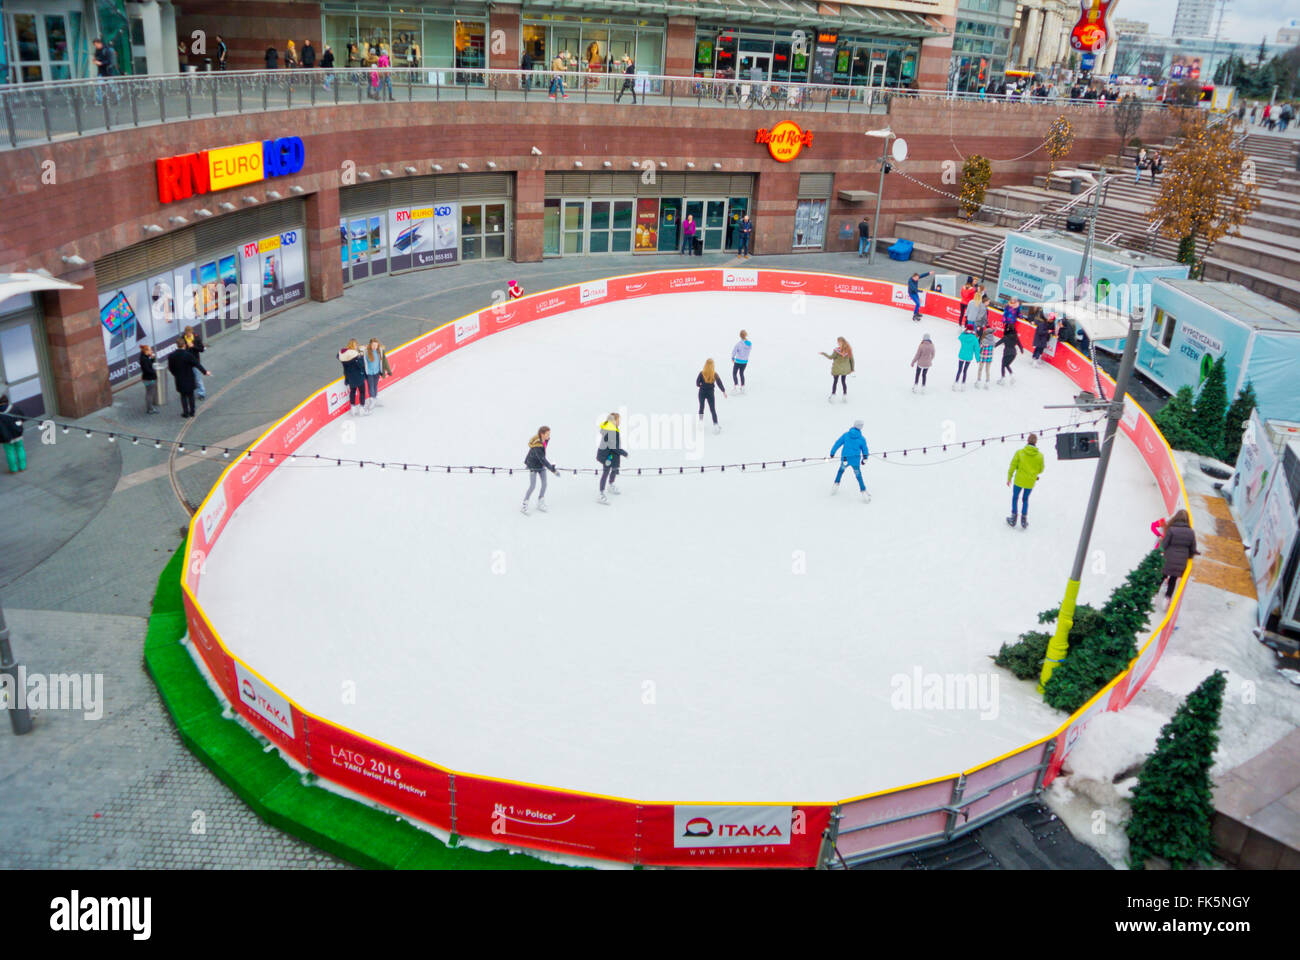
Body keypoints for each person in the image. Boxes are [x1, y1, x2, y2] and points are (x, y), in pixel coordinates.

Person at [1158, 510, 1198, 607]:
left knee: (1161, 576)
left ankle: (1154, 595)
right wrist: (1189, 556)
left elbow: (1164, 545)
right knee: (1173, 580)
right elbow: (1192, 549)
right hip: (1181, 562)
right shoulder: (1191, 532)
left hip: (1168, 559)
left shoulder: (1171, 530)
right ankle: (1166, 599)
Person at [1006, 433, 1044, 529]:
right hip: (1030, 482)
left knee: (1015, 497)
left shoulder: (1020, 452)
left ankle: (1013, 518)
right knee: (1025, 499)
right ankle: (1024, 519)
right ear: (1036, 442)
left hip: (1019, 480)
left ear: (1027, 440)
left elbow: (1013, 466)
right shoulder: (1040, 456)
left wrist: (1009, 478)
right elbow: (1041, 469)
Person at [829, 419, 871, 502]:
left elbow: (838, 443)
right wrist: (865, 459)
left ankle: (835, 485)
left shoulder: (846, 435)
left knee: (840, 471)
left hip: (845, 459)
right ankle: (863, 491)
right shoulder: (862, 439)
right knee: (858, 476)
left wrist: (832, 452)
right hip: (855, 461)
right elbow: (865, 450)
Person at [168, 344, 212, 419]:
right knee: (190, 395)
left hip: (179, 378)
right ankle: (192, 412)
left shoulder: (171, 356)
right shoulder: (188, 355)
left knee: (183, 396)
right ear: (184, 345)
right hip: (189, 377)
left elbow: (170, 367)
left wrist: (175, 374)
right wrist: (205, 372)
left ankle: (185, 412)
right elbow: (197, 364)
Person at [521, 426, 559, 514]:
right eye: (547, 434)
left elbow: (542, 457)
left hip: (541, 465)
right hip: (533, 465)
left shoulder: (545, 440)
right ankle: (524, 504)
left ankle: (540, 501)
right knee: (533, 486)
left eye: (549, 434)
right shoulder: (537, 446)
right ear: (542, 434)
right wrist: (552, 469)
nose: (549, 436)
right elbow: (543, 459)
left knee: (544, 484)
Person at [596, 412, 627, 504]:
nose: (619, 422)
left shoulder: (613, 429)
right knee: (606, 471)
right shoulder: (611, 431)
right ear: (613, 421)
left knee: (614, 468)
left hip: (611, 454)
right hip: (607, 455)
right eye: (618, 420)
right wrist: (624, 453)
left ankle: (610, 484)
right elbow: (614, 447)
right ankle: (601, 493)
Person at [696, 358, 727, 433]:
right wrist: (723, 391)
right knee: (712, 409)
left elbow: (697, 383)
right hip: (710, 393)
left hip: (702, 392)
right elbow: (719, 383)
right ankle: (716, 425)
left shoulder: (701, 373)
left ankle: (700, 424)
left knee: (701, 407)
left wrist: (701, 385)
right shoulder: (715, 374)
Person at [338, 339, 367, 415]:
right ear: (354, 346)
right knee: (362, 392)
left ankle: (353, 408)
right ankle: (362, 408)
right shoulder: (355, 356)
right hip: (359, 377)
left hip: (350, 377)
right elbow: (361, 365)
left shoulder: (343, 356)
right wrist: (361, 355)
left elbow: (339, 356)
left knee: (352, 392)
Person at [820, 336, 854, 402]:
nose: (838, 343)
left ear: (841, 342)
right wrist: (852, 369)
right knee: (843, 382)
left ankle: (833, 396)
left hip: (837, 369)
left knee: (835, 382)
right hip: (844, 369)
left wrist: (824, 354)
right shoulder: (848, 350)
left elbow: (830, 357)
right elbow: (851, 360)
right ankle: (845, 396)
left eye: (838, 342)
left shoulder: (836, 350)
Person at [362, 337, 391, 412]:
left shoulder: (380, 351)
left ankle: (375, 398)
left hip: (377, 372)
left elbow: (384, 361)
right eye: (373, 345)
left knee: (375, 385)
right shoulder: (365, 352)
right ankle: (372, 400)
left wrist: (387, 370)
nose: (375, 347)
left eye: (376, 345)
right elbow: (362, 361)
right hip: (369, 373)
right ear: (370, 345)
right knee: (370, 386)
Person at [0, 392, 26, 473]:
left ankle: (13, 469)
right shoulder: (14, 408)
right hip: (17, 433)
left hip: (5, 436)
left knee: (9, 452)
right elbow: (23, 418)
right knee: (20, 449)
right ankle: (22, 467)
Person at [182, 326, 207, 400]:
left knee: (198, 378)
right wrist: (186, 346)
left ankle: (201, 393)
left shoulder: (196, 337)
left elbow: (202, 349)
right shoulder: (183, 338)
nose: (188, 334)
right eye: (187, 333)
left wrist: (193, 346)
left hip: (195, 360)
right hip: (186, 361)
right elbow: (181, 348)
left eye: (189, 333)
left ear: (192, 332)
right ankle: (189, 392)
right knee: (188, 378)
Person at [954, 323, 979, 391]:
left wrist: (964, 332)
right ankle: (963, 385)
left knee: (959, 370)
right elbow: (977, 349)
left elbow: (959, 337)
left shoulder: (963, 336)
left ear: (967, 329)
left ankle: (956, 384)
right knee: (965, 371)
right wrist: (978, 359)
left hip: (962, 355)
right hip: (969, 357)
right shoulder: (974, 338)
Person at [997, 316, 1021, 385]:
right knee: (1007, 365)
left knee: (1003, 365)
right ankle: (1012, 376)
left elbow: (998, 343)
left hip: (1007, 353)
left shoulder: (1006, 337)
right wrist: (1021, 350)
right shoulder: (1015, 337)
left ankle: (1003, 378)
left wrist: (991, 346)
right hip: (1013, 353)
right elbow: (1019, 344)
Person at [140, 344, 160, 414]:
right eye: (150, 350)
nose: (151, 351)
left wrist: (152, 358)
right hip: (149, 379)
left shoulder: (145, 357)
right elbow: (147, 369)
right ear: (146, 351)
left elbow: (150, 364)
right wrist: (154, 373)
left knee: (149, 393)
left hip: (146, 378)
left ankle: (150, 407)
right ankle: (150, 409)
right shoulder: (144, 359)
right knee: (150, 394)